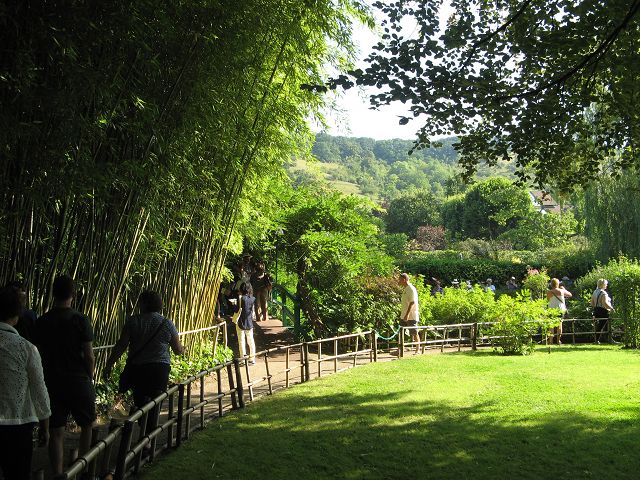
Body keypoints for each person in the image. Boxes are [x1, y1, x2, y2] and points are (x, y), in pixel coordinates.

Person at [35, 275, 95, 476]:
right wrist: (90, 376)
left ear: (53, 293)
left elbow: (39, 353)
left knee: (56, 430)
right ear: (74, 294)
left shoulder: (42, 321)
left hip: (52, 381)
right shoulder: (80, 319)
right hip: (78, 380)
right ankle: (82, 468)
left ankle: (59, 473)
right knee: (87, 425)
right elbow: (89, 355)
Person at [104, 291, 184, 427]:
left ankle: (143, 433)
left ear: (143, 304)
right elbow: (177, 350)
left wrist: (109, 364)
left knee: (140, 402)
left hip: (138, 369)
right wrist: (183, 349)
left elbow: (121, 346)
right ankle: (148, 438)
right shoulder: (167, 323)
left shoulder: (133, 321)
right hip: (159, 370)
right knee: (155, 402)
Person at [0, 287, 51, 480]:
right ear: (17, 315)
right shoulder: (27, 348)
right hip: (18, 426)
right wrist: (45, 427)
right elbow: (39, 390)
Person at [234, 283, 256, 364]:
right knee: (251, 340)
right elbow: (252, 311)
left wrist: (233, 304)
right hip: (249, 322)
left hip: (240, 321)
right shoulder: (253, 299)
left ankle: (243, 359)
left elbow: (236, 310)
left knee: (241, 340)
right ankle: (252, 358)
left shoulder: (240, 298)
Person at [398, 273, 420, 354]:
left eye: (399, 279)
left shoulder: (411, 288)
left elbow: (412, 302)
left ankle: (417, 350)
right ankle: (399, 350)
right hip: (403, 315)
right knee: (401, 333)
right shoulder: (405, 289)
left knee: (414, 332)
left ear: (404, 280)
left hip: (411, 316)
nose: (398, 281)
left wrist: (407, 315)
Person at [547, 278, 572, 344]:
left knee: (551, 326)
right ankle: (558, 341)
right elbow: (570, 294)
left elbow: (548, 300)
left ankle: (551, 341)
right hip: (560, 309)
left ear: (551, 284)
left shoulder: (549, 292)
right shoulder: (561, 291)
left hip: (551, 310)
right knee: (559, 325)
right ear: (558, 284)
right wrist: (564, 289)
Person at [591, 278, 614, 343]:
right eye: (606, 284)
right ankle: (607, 339)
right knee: (605, 325)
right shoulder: (603, 293)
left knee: (600, 326)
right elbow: (605, 303)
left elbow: (592, 303)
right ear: (603, 284)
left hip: (596, 310)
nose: (606, 285)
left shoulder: (595, 292)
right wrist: (611, 308)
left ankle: (597, 339)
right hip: (603, 311)